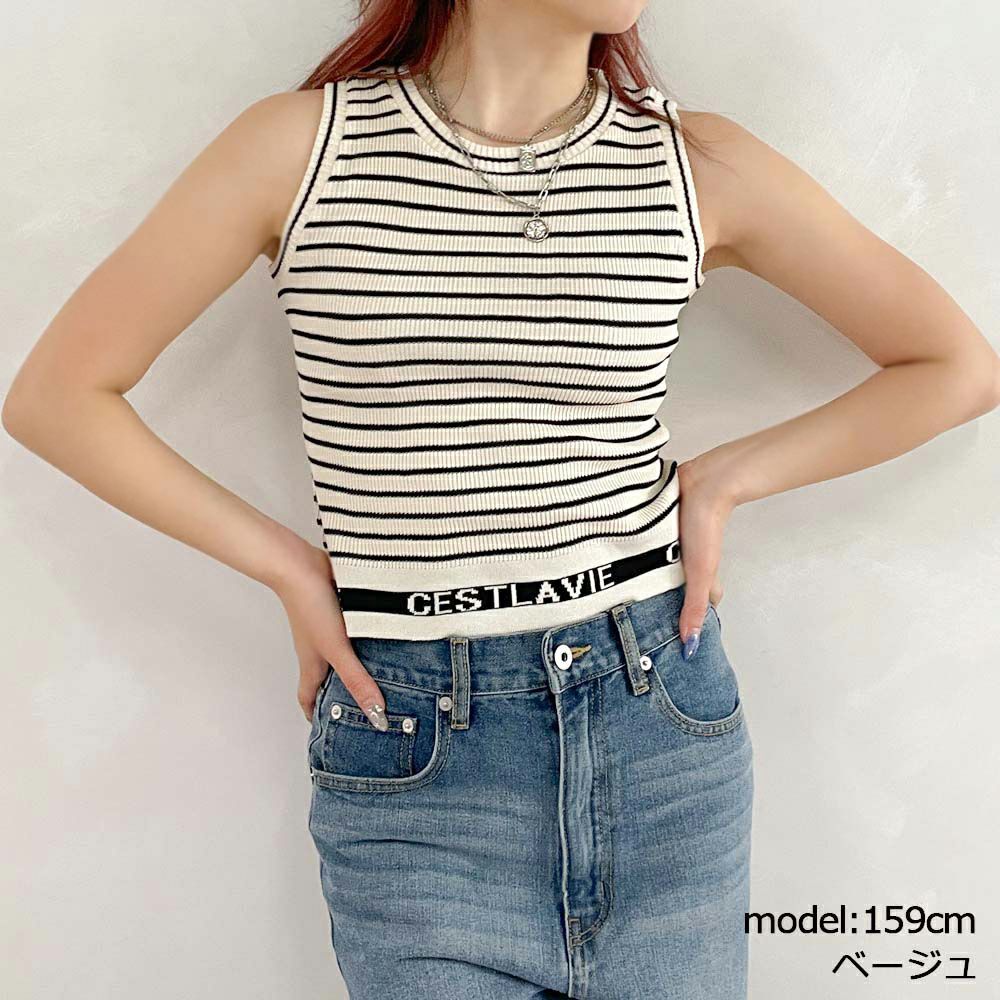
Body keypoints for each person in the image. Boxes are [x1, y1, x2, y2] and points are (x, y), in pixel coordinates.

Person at [4, 2, 998, 997]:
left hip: (660, 732)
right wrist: (289, 569)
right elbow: (58, 397)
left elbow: (952, 364)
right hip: (413, 753)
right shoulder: (300, 148)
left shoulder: (692, 164)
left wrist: (729, 478)